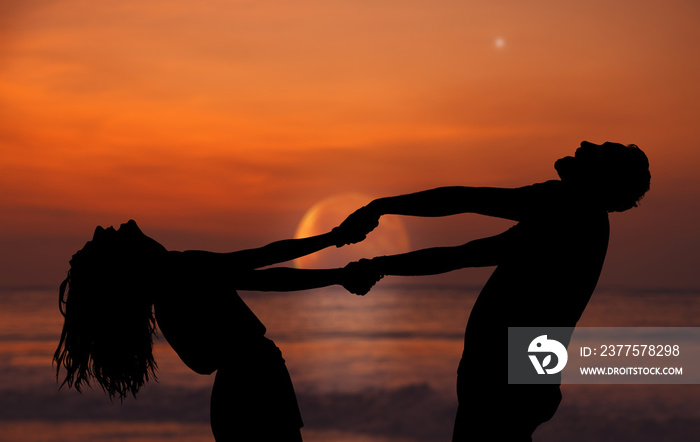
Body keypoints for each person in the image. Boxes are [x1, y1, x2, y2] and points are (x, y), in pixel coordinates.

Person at [333, 141, 651, 441]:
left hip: (504, 378)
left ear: (600, 178)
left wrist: (380, 215)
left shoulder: (569, 207)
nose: (585, 144)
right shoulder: (578, 218)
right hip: (523, 374)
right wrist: (380, 258)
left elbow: (466, 211)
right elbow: (469, 245)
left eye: (599, 150)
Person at [53, 219, 378, 442]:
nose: (125, 224)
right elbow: (263, 264)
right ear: (129, 262)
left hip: (238, 391)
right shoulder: (178, 272)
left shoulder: (169, 291)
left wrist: (338, 267)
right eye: (116, 235)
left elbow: (259, 276)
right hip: (253, 385)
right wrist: (336, 247)